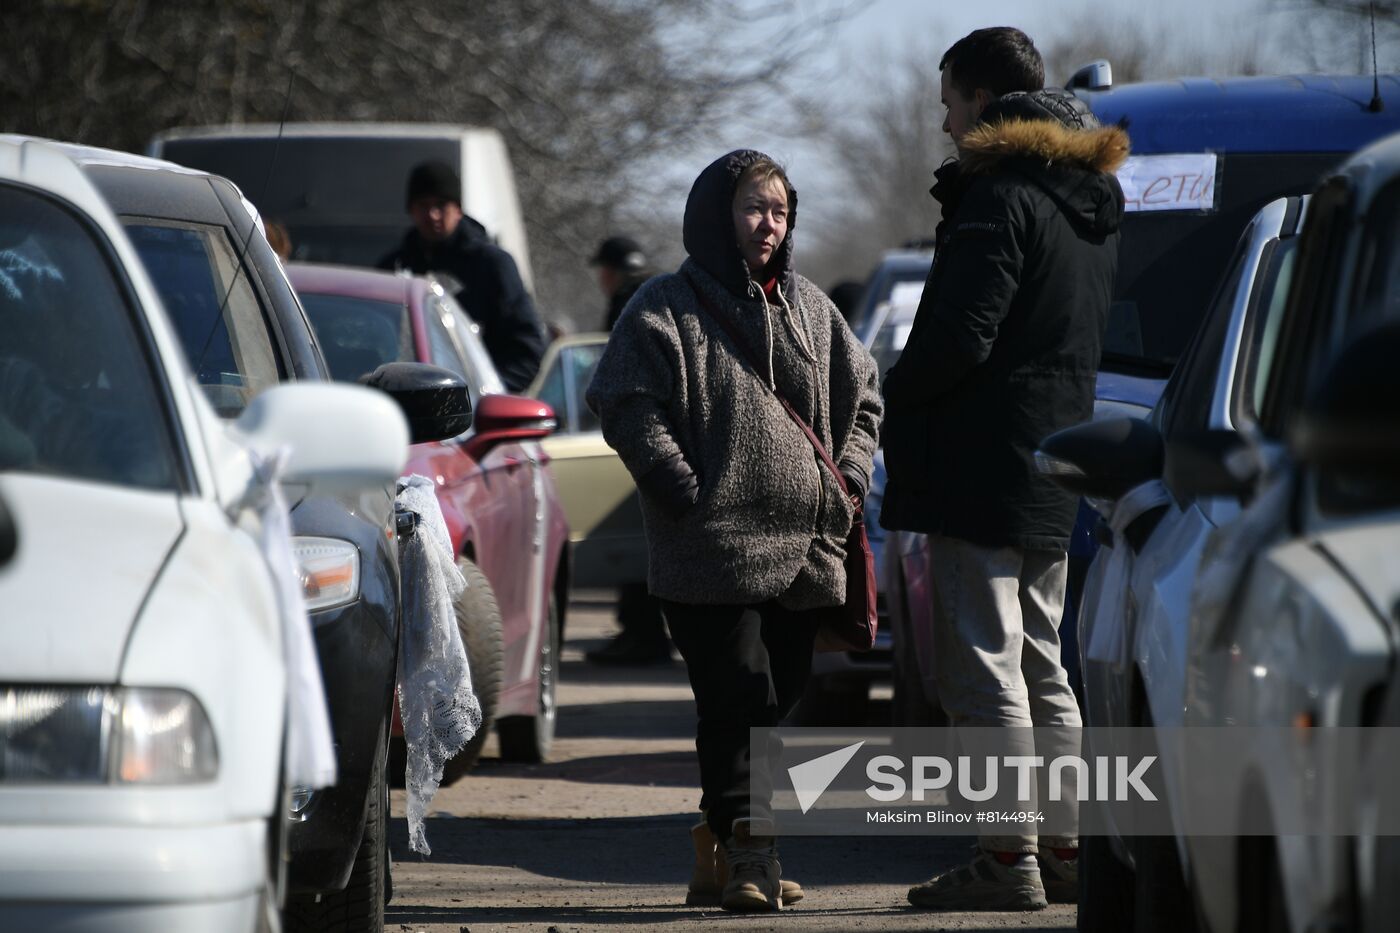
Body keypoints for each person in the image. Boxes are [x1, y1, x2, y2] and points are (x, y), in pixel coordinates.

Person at [587, 150, 881, 913]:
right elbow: (622, 398)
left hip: (805, 554)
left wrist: (846, 479)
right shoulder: (664, 303)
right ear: (717, 215)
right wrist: (675, 479)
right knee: (741, 698)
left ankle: (716, 844)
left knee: (774, 705)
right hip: (708, 548)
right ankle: (754, 852)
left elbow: (867, 399)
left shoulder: (813, 309)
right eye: (754, 207)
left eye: (780, 211)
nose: (769, 224)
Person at [879, 27, 1127, 912]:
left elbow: (960, 337)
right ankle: (1062, 847)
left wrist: (889, 390)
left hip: (983, 460)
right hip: (1057, 462)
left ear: (983, 99)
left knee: (984, 667)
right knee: (1043, 659)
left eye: (949, 100)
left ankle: (1004, 854)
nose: (945, 122)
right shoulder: (1089, 197)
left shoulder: (1001, 197)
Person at [379, 161, 546, 392]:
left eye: (441, 205)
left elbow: (527, 351)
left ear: (458, 209)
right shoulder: (392, 269)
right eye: (423, 205)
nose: (432, 215)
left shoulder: (492, 266)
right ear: (411, 210)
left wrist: (484, 395)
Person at [585, 234, 673, 666]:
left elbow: (612, 372)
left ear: (611, 271)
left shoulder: (627, 301)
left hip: (644, 437)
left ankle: (643, 634)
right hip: (669, 437)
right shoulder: (657, 291)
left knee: (636, 539)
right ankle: (638, 630)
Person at [592, 234, 651, 332]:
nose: (601, 276)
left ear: (613, 272)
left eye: (603, 268)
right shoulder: (656, 298)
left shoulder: (624, 308)